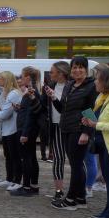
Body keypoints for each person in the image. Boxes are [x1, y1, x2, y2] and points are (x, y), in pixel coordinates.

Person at [46, 56, 98, 210]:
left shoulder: (91, 86)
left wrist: (86, 133)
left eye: (81, 67)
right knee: (76, 165)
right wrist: (53, 98)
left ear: (86, 69)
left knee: (76, 165)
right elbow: (63, 109)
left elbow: (90, 111)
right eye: (75, 67)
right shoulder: (70, 85)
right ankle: (80, 198)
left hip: (79, 129)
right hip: (66, 128)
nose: (77, 70)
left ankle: (70, 199)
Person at [81, 67, 109, 218]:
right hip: (106, 147)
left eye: (97, 79)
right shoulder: (103, 98)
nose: (95, 82)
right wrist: (90, 122)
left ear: (106, 82)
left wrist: (96, 125)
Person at [11, 66, 43, 197]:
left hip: (27, 129)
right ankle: (33, 185)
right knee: (31, 157)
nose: (20, 78)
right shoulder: (34, 89)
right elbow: (29, 110)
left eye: (22, 76)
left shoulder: (31, 91)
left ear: (28, 77)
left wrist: (24, 133)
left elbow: (31, 114)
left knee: (27, 158)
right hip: (28, 128)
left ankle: (26, 186)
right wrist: (20, 108)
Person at [44, 61, 70, 201]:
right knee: (58, 159)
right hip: (55, 125)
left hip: (71, 127)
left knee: (76, 160)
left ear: (61, 73)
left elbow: (63, 109)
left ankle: (81, 189)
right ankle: (58, 190)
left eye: (52, 72)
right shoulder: (51, 86)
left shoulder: (71, 86)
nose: (50, 74)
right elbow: (43, 105)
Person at [0, 71, 23, 191]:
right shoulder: (4, 93)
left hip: (13, 129)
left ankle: (17, 180)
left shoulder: (13, 94)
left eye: (0, 78)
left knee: (15, 156)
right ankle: (9, 179)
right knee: (8, 156)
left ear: (6, 80)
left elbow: (3, 114)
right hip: (6, 129)